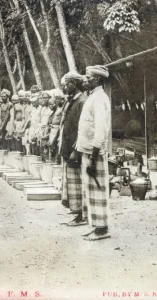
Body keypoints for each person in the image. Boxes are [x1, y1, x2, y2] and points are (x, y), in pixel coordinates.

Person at [76, 65, 111, 241]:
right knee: (91, 190)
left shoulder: (99, 99)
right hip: (87, 150)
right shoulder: (93, 96)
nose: (85, 80)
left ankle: (102, 228)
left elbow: (101, 129)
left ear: (97, 80)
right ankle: (96, 224)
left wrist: (94, 155)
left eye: (88, 78)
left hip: (94, 151)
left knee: (98, 189)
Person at [59, 71, 87, 225]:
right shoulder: (71, 100)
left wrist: (76, 150)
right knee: (72, 182)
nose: (65, 87)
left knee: (78, 183)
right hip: (68, 147)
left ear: (74, 84)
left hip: (75, 149)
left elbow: (82, 128)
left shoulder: (82, 101)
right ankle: (77, 212)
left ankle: (81, 215)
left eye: (67, 84)